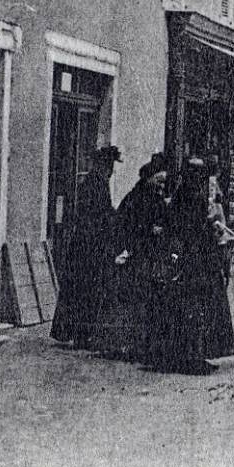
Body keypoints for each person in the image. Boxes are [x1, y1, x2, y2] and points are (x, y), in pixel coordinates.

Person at [145, 158, 234, 374]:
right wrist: (212, 230)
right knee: (198, 308)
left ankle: (179, 354)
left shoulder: (179, 195)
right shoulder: (194, 197)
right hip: (197, 260)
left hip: (185, 258)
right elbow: (194, 229)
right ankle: (194, 356)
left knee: (183, 307)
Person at [95, 153, 170, 358]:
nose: (162, 185)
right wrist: (150, 230)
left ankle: (142, 343)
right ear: (149, 178)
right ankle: (131, 344)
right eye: (159, 181)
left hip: (147, 253)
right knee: (136, 299)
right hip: (137, 254)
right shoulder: (138, 197)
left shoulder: (153, 196)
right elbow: (127, 226)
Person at [51, 145, 122, 348]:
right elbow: (98, 214)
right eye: (110, 165)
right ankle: (82, 335)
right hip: (90, 244)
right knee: (87, 289)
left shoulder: (93, 182)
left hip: (85, 243)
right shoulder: (96, 183)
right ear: (104, 165)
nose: (111, 170)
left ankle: (79, 333)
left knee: (82, 289)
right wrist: (113, 218)